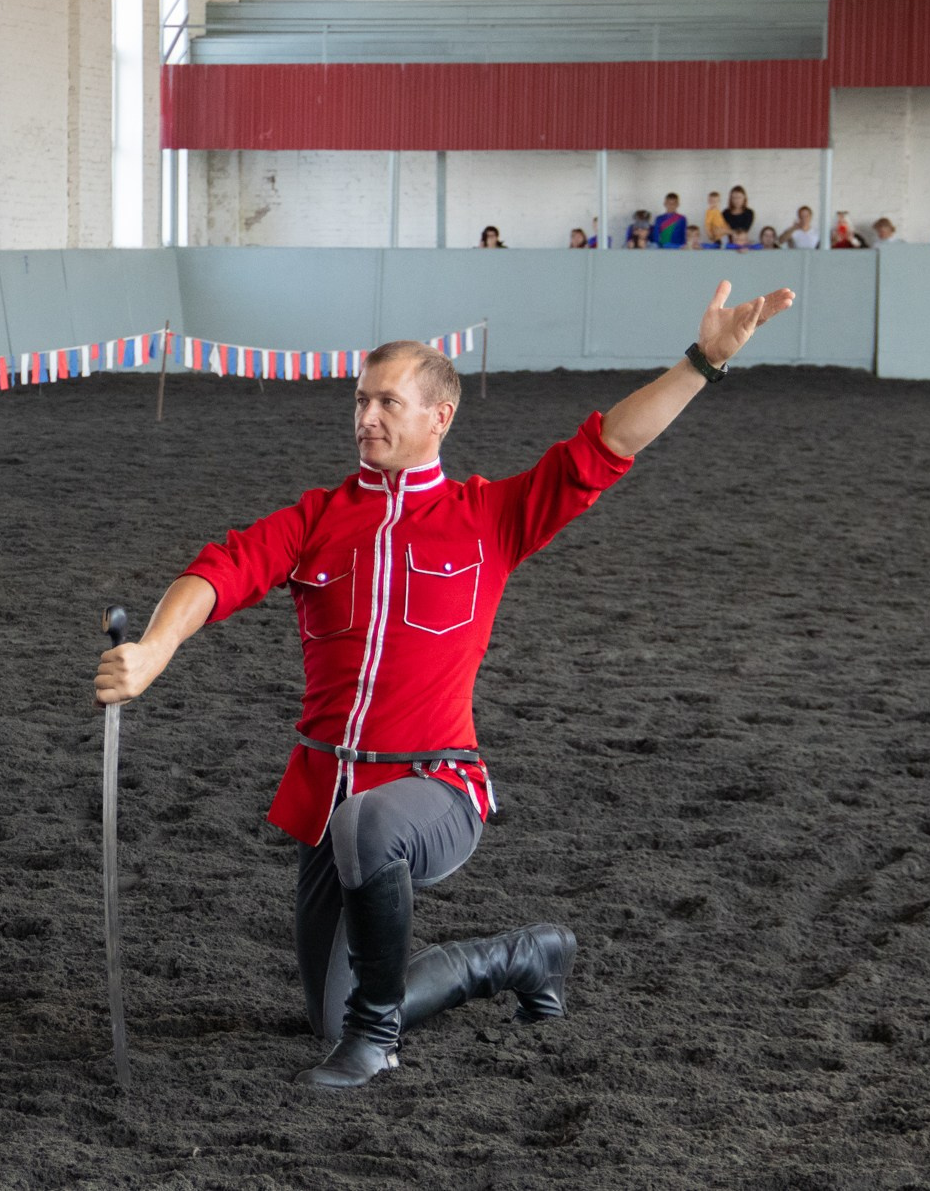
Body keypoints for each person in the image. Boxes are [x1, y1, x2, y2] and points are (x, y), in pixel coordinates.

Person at [93, 281, 797, 1088]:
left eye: (387, 402)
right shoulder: (317, 518)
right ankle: (518, 957)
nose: (366, 419)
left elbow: (607, 446)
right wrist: (152, 648)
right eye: (360, 401)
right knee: (330, 1008)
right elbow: (217, 570)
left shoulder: (490, 515)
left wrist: (703, 361)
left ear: (440, 417)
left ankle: (375, 1041)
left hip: (436, 787)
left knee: (369, 860)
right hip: (329, 800)